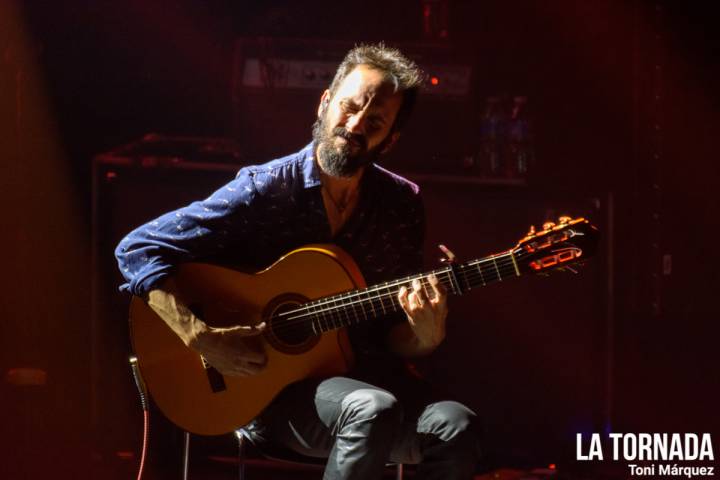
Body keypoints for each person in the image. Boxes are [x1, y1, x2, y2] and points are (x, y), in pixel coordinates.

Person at [116, 43, 481, 479]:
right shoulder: (265, 189)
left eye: (375, 121)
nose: (354, 125)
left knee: (458, 427)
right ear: (325, 102)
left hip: (363, 380)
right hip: (265, 392)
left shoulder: (401, 205)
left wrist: (426, 335)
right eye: (348, 107)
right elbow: (137, 248)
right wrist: (201, 336)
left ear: (392, 138)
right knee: (372, 409)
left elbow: (392, 337)